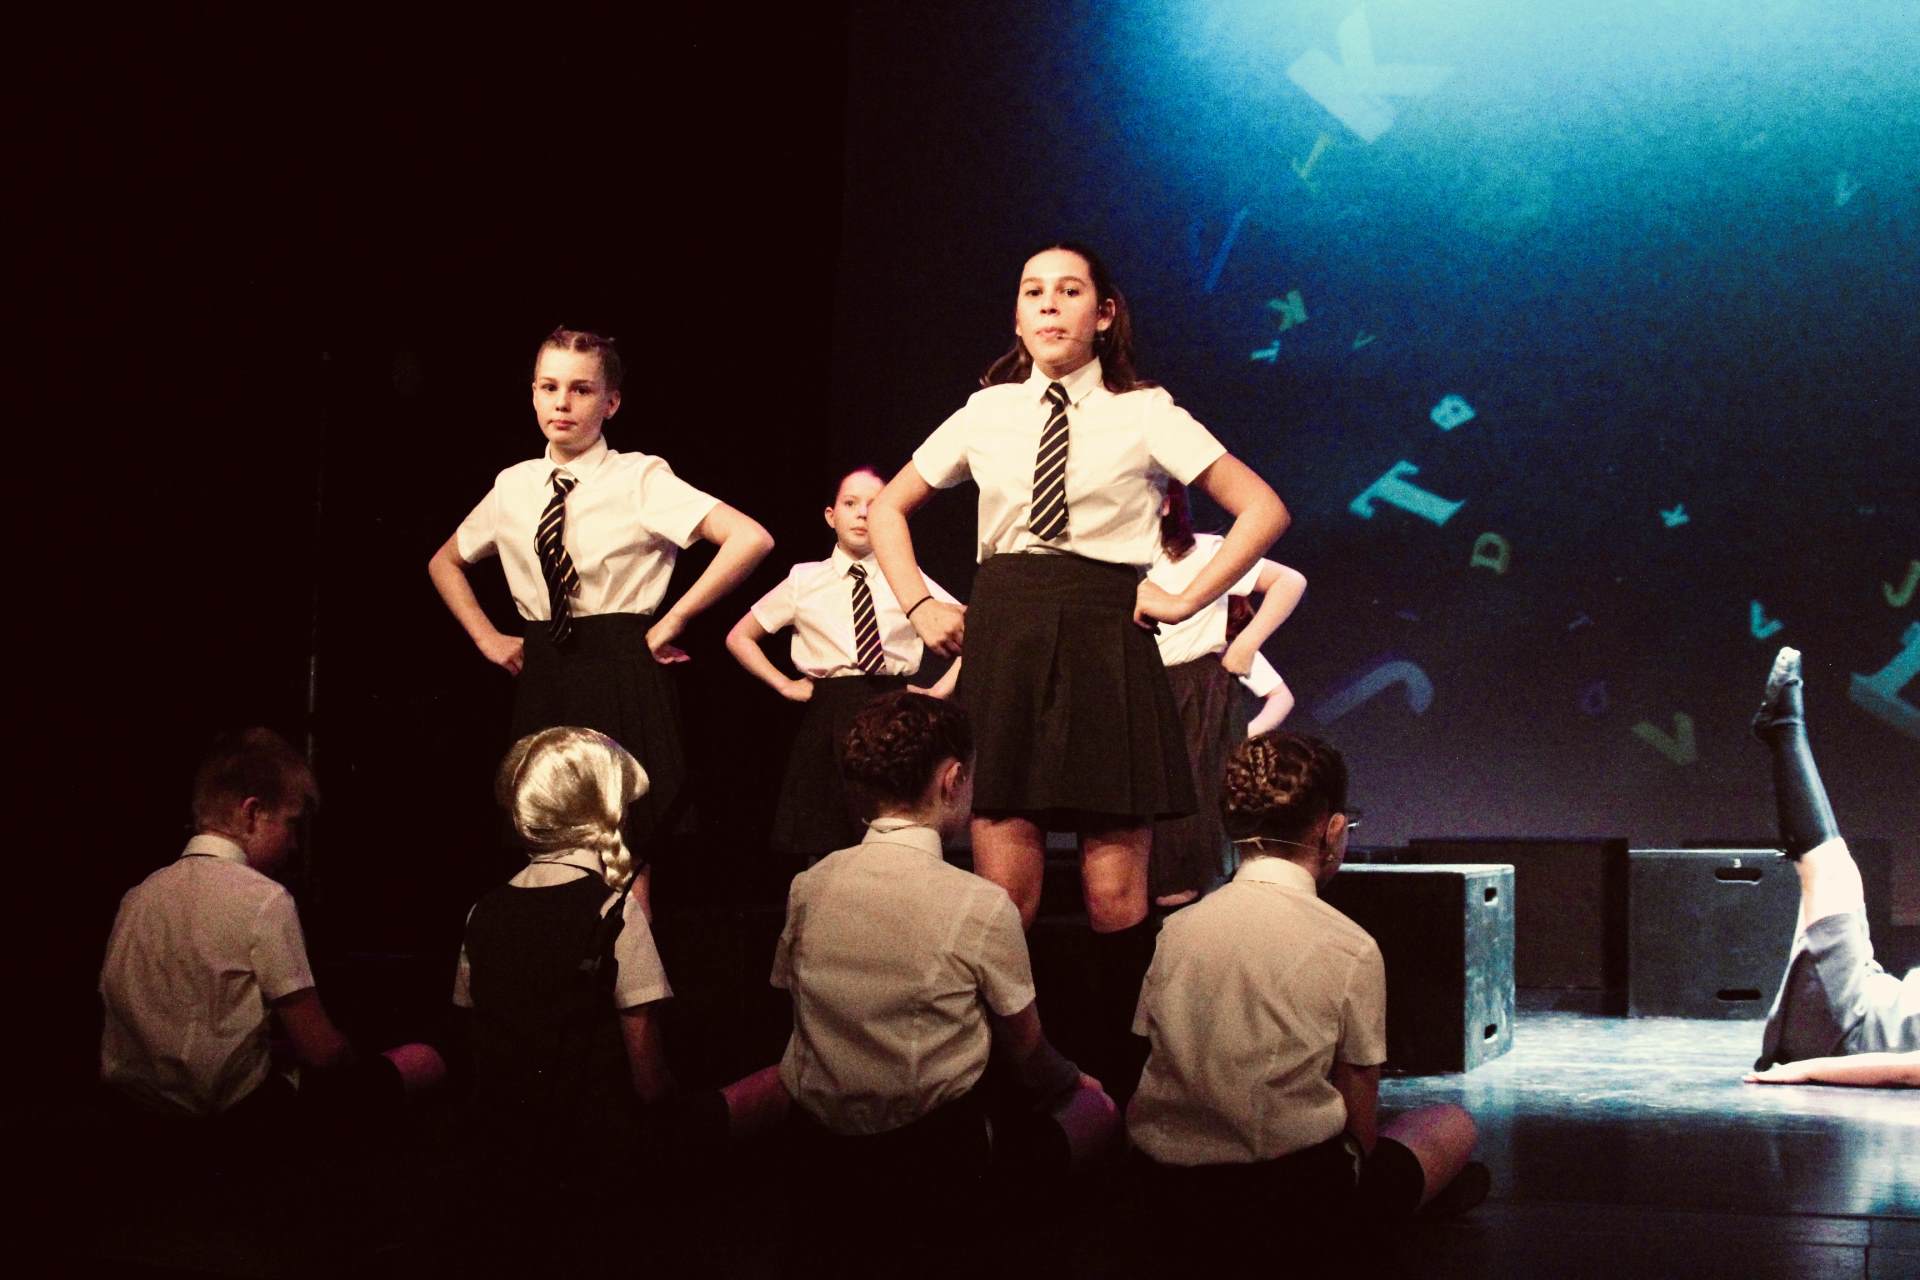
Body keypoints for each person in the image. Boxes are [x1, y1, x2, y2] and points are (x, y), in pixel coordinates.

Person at [867, 241, 1289, 1096]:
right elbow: (888, 508)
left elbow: (1262, 508)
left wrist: (1186, 597)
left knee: (1115, 896)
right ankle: (1008, 1090)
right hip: (1008, 633)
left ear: (1105, 314)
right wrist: (918, 606)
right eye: (1034, 292)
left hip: (1105, 635)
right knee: (1004, 900)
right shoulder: (986, 411)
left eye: (1069, 291)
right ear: (1018, 314)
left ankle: (1123, 1094)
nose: (1049, 306)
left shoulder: (1146, 412)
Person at [773, 691, 1116, 1277]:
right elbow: (1030, 1056)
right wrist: (1083, 1086)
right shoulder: (978, 903)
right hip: (931, 1165)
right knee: (1098, 1112)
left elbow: (795, 1006)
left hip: (819, 1158)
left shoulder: (809, 885)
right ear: (954, 779)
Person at [1127, 732, 1486, 1268]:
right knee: (1453, 1125)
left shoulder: (1175, 931)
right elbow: (1360, 1112)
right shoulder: (1350, 946)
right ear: (1333, 831)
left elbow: (1149, 1056)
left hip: (1167, 1197)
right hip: (1290, 1203)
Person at [427, 326, 774, 853]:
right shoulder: (514, 484)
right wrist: (486, 637)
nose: (562, 402)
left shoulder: (639, 477)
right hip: (545, 668)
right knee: (544, 831)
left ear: (611, 402)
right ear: (533, 393)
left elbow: (750, 538)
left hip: (620, 665)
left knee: (625, 839)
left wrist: (675, 619)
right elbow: (445, 562)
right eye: (549, 387)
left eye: (581, 389)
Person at [452, 726, 786, 1267]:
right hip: (598, 1156)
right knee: (779, 1084)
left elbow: (481, 1046)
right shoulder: (615, 910)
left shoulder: (481, 913)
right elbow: (650, 1084)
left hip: (509, 1152)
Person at [99, 729, 444, 1130]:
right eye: (291, 824)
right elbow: (322, 1053)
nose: (294, 844)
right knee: (421, 1060)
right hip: (232, 1125)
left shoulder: (138, 896)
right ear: (252, 813)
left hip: (136, 1119)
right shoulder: (264, 899)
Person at [725, 465, 961, 862]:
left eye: (875, 505)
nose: (863, 513)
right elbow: (740, 636)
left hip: (893, 710)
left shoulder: (907, 578)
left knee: (892, 834)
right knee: (826, 836)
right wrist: (784, 684)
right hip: (830, 711)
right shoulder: (805, 579)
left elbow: (970, 628)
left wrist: (938, 692)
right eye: (851, 503)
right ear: (831, 516)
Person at [1743, 647, 1919, 1087]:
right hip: (1876, 997)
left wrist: (1806, 1070)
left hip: (1847, 1029)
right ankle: (1782, 729)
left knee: (1828, 867)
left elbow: (1908, 1070)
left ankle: (1784, 729)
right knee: (1835, 871)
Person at [1147, 480, 1307, 906]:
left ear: (1167, 503)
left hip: (1193, 692)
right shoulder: (1115, 560)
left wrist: (1246, 644)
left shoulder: (1204, 551)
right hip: (1138, 690)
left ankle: (1187, 919)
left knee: (1187, 833)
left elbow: (1288, 581)